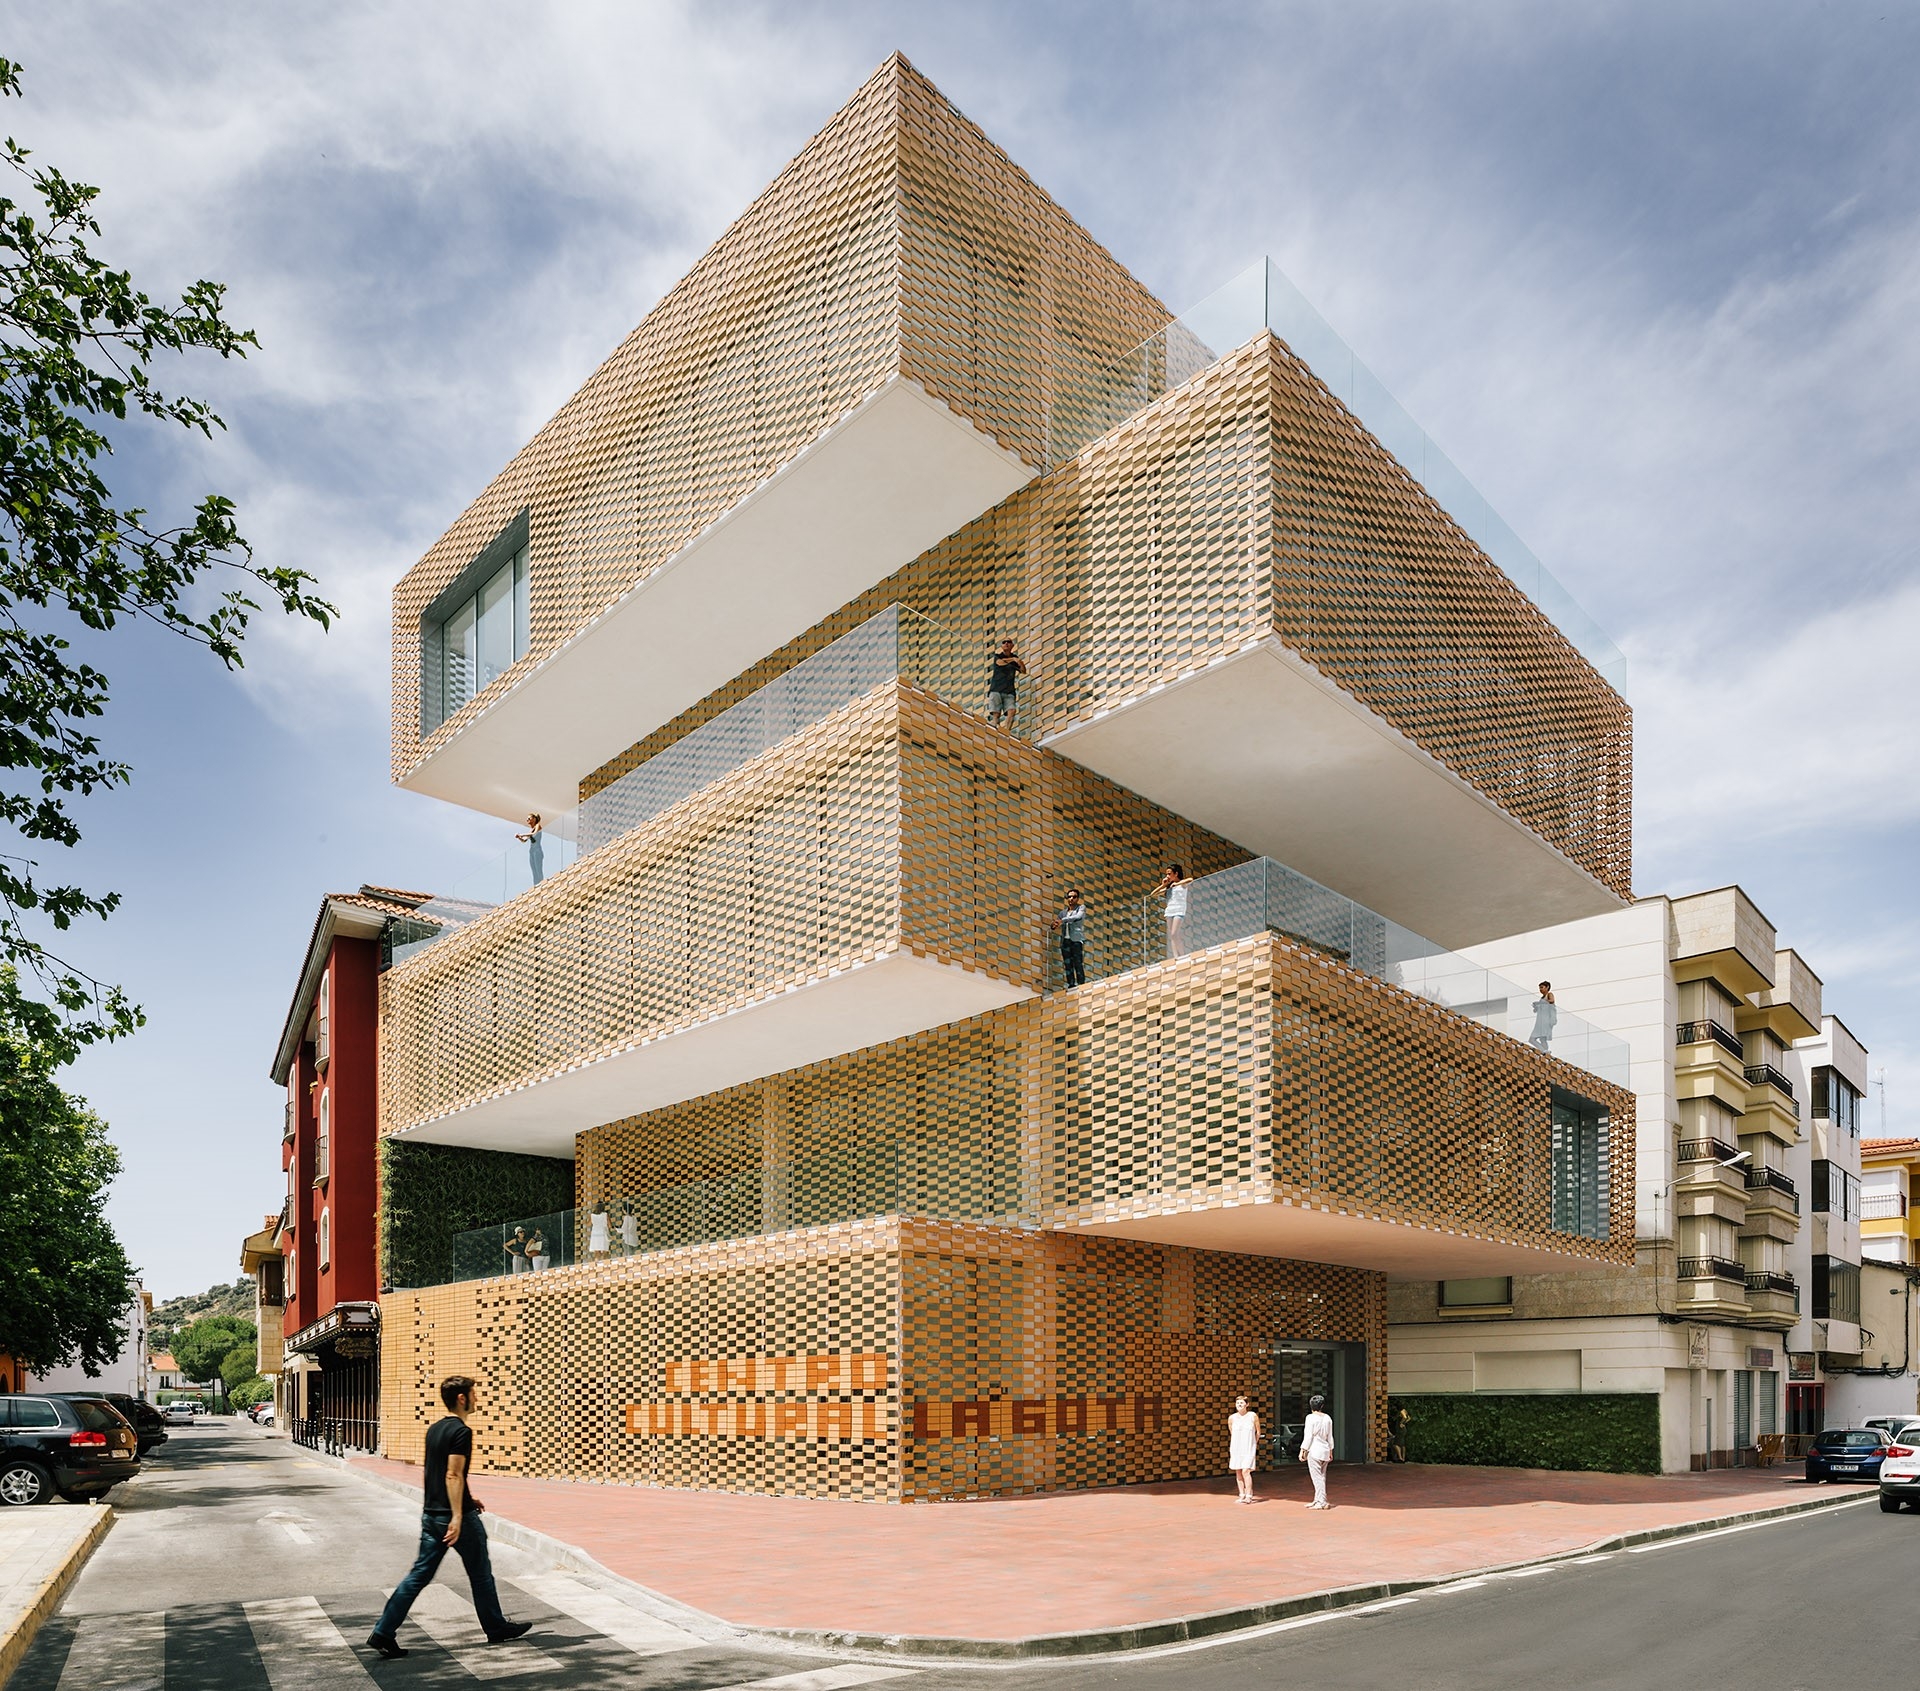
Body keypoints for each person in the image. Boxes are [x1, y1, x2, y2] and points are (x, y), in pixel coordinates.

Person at [366, 1375, 533, 1657]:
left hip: (431, 1515)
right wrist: (458, 1515)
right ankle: (495, 1627)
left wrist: (468, 1498)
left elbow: (440, 1474)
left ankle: (383, 1631)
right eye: (474, 1394)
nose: (477, 1399)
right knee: (481, 1575)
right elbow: (452, 1473)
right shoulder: (461, 1432)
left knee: (417, 1576)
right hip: (456, 1520)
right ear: (461, 1398)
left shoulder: (434, 1430)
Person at [1299, 1392, 1334, 1508]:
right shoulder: (1328, 1418)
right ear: (1322, 1406)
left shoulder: (1310, 1418)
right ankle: (1318, 1499)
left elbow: (1308, 1436)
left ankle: (1321, 1501)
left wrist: (1303, 1450)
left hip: (1314, 1450)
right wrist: (1330, 1451)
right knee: (1322, 1476)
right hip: (1325, 1449)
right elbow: (1330, 1437)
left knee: (1316, 1477)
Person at [985, 639, 1027, 729]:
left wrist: (1020, 663)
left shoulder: (1015, 658)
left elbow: (1023, 671)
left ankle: (1007, 732)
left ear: (1012, 645)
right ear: (1002, 646)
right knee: (996, 714)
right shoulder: (998, 656)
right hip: (996, 689)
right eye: (1004, 642)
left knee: (1011, 711)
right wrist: (1013, 660)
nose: (1006, 643)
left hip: (1009, 690)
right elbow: (999, 663)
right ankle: (995, 729)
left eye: (1008, 642)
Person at [1228, 1395, 1261, 1505]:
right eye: (1238, 1403)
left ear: (1247, 1404)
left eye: (1242, 1403)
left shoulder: (1252, 1416)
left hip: (1248, 1448)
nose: (1239, 1405)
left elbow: (1258, 1432)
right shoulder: (1232, 1418)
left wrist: (1253, 1444)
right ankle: (1241, 1494)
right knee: (1238, 1471)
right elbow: (1232, 1431)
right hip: (1236, 1448)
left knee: (1246, 1471)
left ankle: (1249, 1495)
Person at [1054, 888, 1088, 989]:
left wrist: (1062, 921)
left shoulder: (1081, 908)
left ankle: (1081, 984)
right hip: (1066, 940)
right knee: (1068, 963)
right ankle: (1071, 984)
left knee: (1078, 962)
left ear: (1077, 898)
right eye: (1069, 896)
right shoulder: (1063, 912)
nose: (1071, 899)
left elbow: (1077, 917)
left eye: (1074, 897)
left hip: (1076, 940)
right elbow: (1057, 922)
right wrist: (1054, 925)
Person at [1155, 864, 1190, 958]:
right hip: (1169, 911)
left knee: (1175, 933)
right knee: (1172, 935)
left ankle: (1182, 955)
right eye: (1167, 874)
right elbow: (1153, 894)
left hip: (1179, 910)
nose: (1167, 876)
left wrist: (1177, 884)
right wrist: (1163, 885)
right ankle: (1176, 956)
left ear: (1176, 874)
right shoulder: (1169, 887)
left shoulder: (1182, 884)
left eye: (1169, 874)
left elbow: (1190, 879)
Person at [515, 813, 545, 884]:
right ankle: (536, 886)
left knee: (538, 869)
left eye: (529, 818)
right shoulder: (530, 830)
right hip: (532, 851)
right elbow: (524, 840)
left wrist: (522, 834)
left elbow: (533, 833)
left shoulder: (538, 826)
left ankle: (541, 884)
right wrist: (519, 838)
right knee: (534, 871)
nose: (527, 820)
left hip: (537, 850)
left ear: (534, 819)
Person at [1530, 981, 1558, 1052]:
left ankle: (1544, 1051)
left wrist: (1539, 1003)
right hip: (1540, 1021)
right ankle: (1545, 1051)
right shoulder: (1542, 998)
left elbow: (1552, 1001)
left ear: (1547, 987)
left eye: (1542, 987)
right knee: (1538, 1038)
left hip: (1546, 1020)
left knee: (1540, 1038)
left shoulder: (1549, 994)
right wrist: (1536, 1006)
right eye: (1539, 988)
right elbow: (1537, 1010)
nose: (1540, 989)